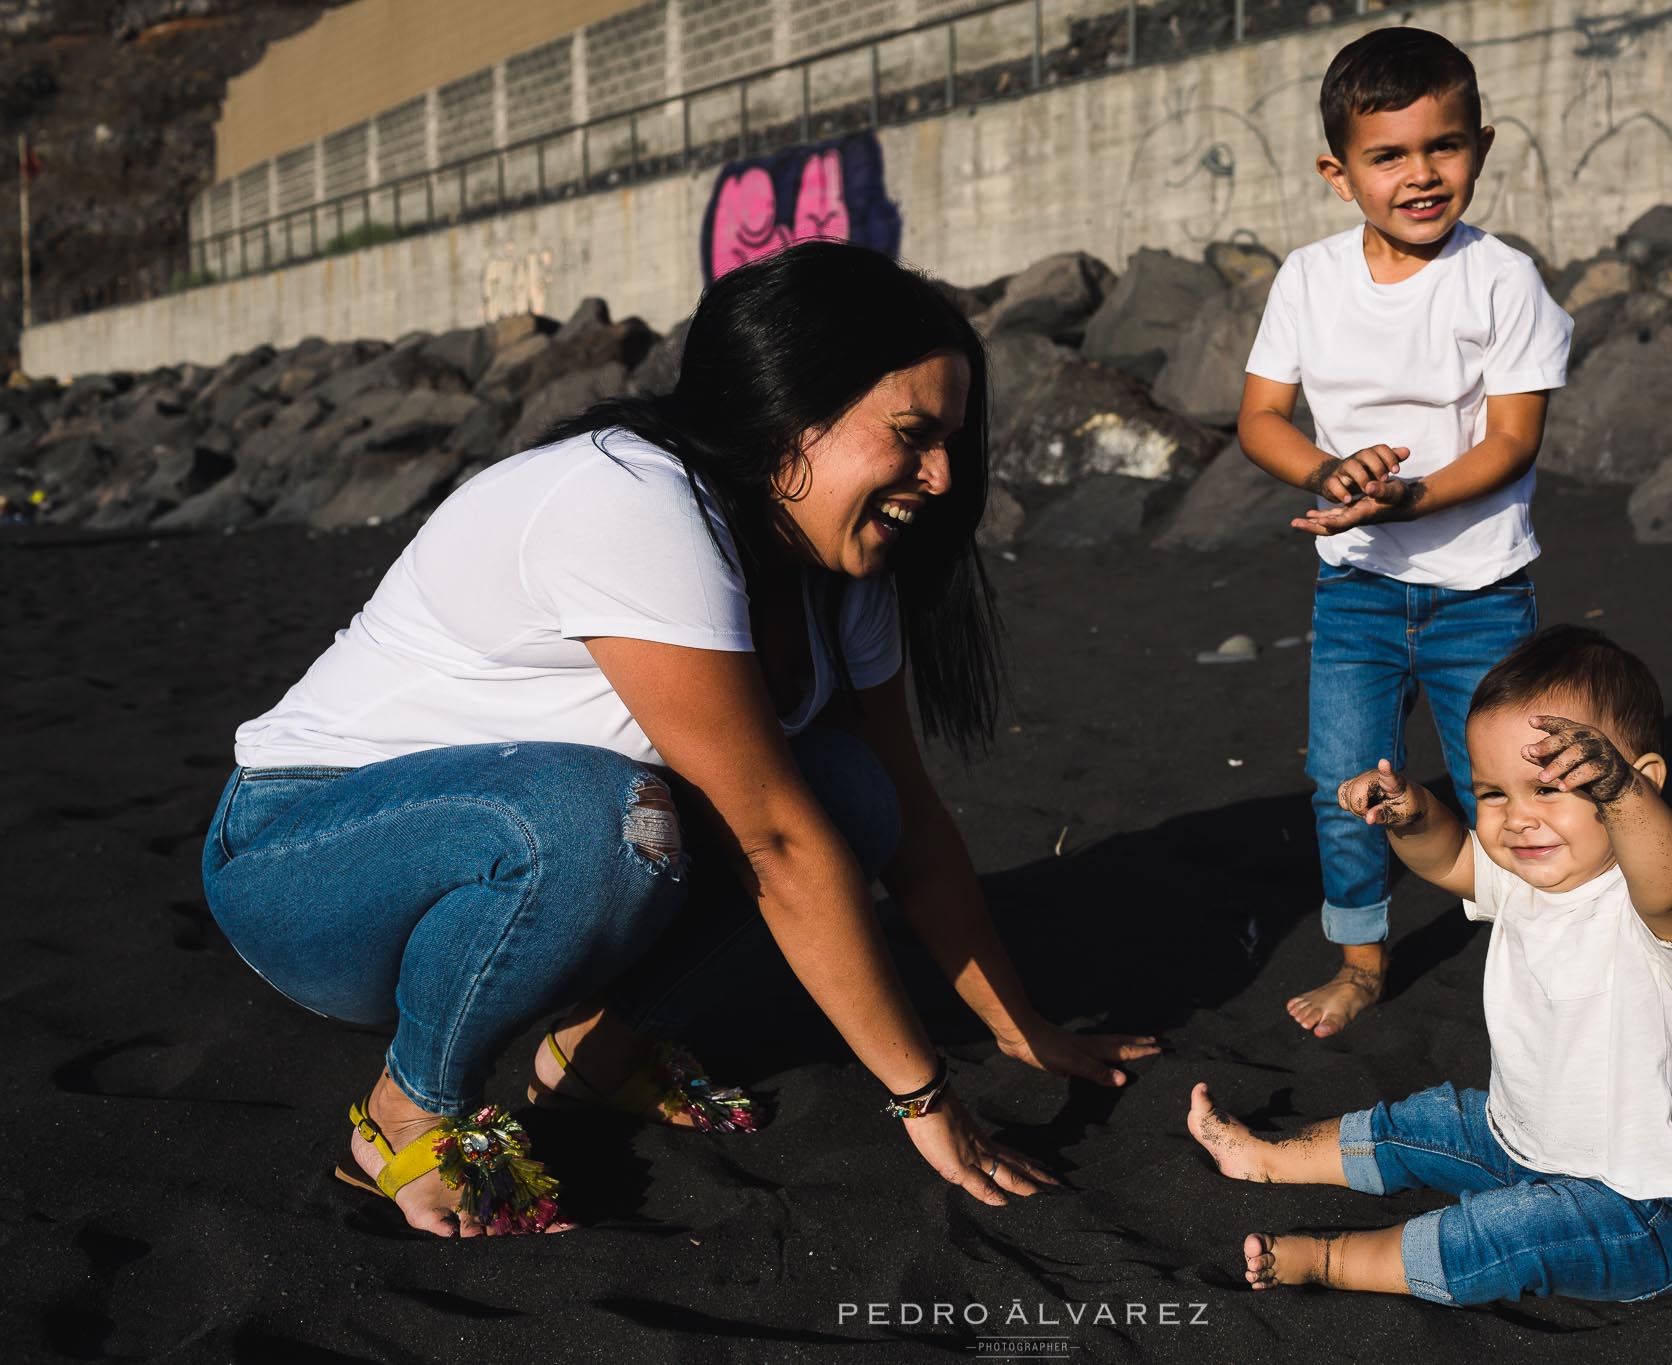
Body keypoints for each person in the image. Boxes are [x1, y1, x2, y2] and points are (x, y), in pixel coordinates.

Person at [201, 241, 1159, 1238]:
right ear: (791, 407)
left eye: (953, 440)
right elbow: (775, 848)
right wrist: (925, 1103)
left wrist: (1021, 1029)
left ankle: (592, 1063)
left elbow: (906, 818)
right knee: (605, 821)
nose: (942, 474)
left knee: (851, 789)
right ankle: (410, 1108)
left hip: (517, 864)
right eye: (912, 434)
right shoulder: (629, 500)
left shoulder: (840, 568)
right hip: (304, 868)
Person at [1188, 626, 1672, 1304]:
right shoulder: (1524, 878)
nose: (1518, 819)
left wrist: (1620, 794)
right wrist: (1412, 815)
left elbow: (1671, 879)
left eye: (1554, 787)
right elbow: (1452, 857)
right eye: (1495, 793)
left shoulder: (1651, 902)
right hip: (1522, 1140)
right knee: (1431, 1121)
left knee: (1502, 1234)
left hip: (1650, 1207)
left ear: (1641, 782)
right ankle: (1270, 1157)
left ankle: (1330, 1259)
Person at [1237, 27, 1572, 1036]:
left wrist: (1412, 498)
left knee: (1512, 786)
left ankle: (1537, 944)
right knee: (1348, 788)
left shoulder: (1500, 279)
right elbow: (1258, 418)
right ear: (1338, 174)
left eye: (1445, 146)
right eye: (1388, 156)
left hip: (1483, 593)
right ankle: (1362, 961)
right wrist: (1326, 472)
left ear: (1481, 143)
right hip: (1357, 594)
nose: (1421, 175)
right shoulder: (1306, 279)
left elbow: (1512, 439)